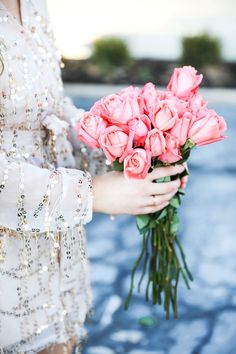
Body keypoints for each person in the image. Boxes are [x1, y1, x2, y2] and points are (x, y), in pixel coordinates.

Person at [0, 0, 187, 353]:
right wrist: (92, 193)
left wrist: (130, 151)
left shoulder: (35, 5)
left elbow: (50, 108)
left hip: (55, 248)